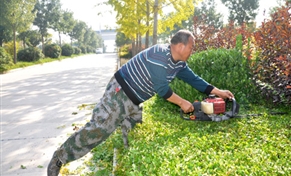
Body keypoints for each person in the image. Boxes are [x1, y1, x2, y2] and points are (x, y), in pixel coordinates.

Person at [47, 29, 234, 176]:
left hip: (135, 100)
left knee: (133, 130)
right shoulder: (160, 54)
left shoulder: (178, 64)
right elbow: (162, 90)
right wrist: (182, 102)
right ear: (180, 46)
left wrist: (219, 92)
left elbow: (195, 80)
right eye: (192, 47)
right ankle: (59, 158)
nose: (193, 51)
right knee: (100, 129)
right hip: (119, 93)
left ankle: (126, 161)